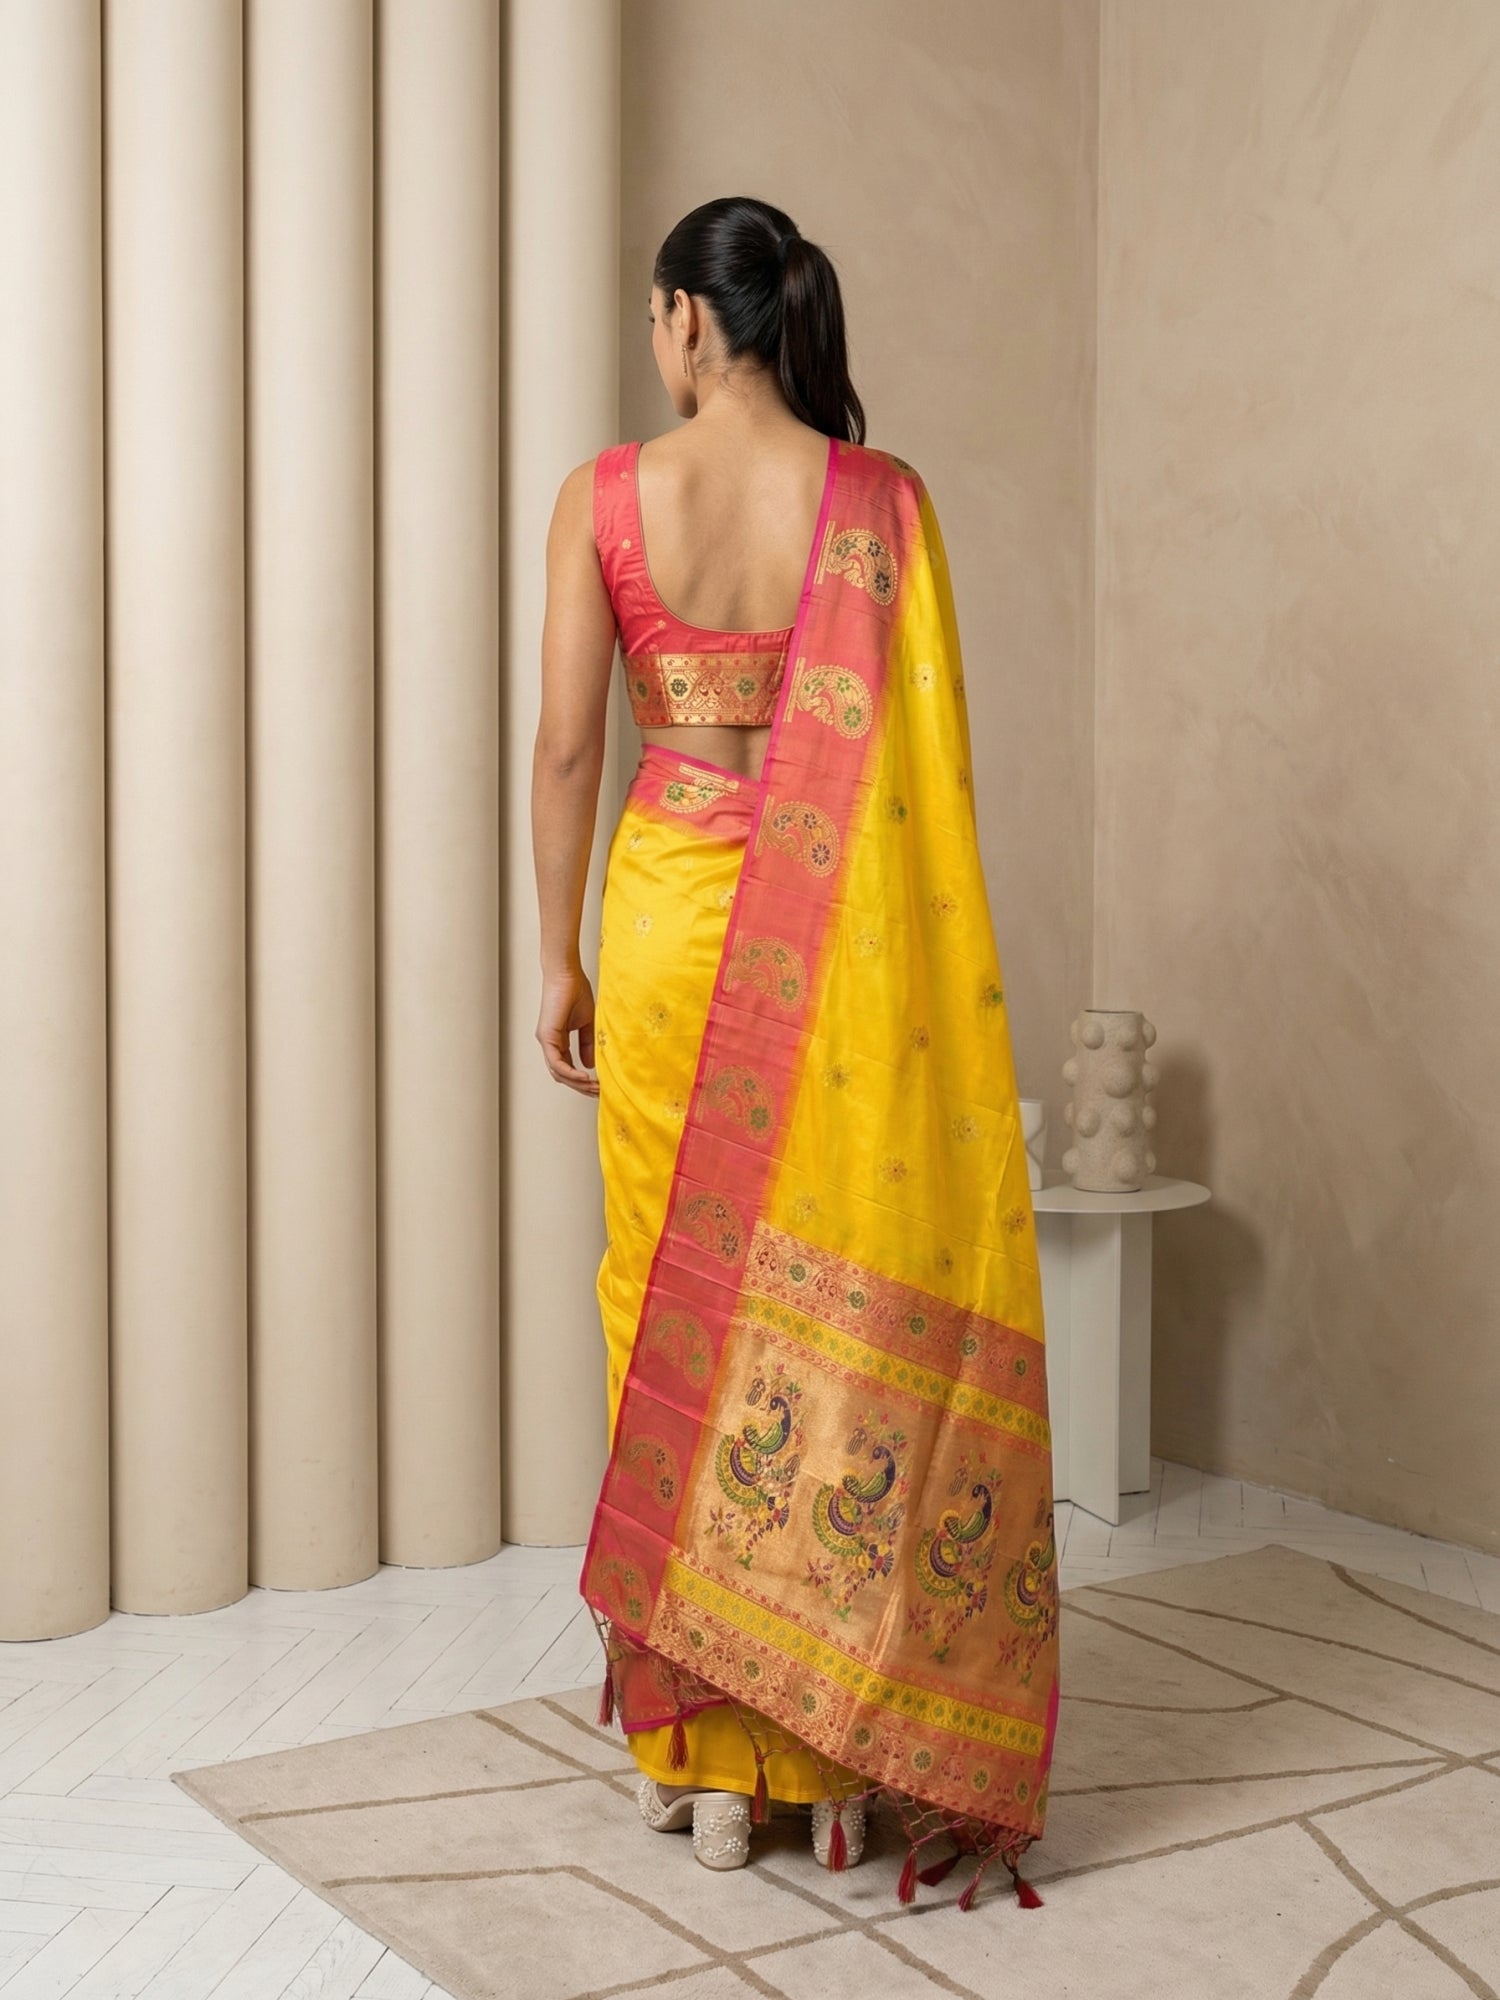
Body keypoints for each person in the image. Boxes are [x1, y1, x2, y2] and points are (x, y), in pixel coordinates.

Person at [532, 196, 1060, 1911]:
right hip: (838, 937)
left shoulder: (608, 496)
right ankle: (829, 1756)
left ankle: (700, 1760)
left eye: (654, 318)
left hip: (674, 921)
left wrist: (558, 956)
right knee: (827, 1309)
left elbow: (565, 751)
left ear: (689, 319)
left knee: (672, 1312)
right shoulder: (880, 503)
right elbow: (931, 773)